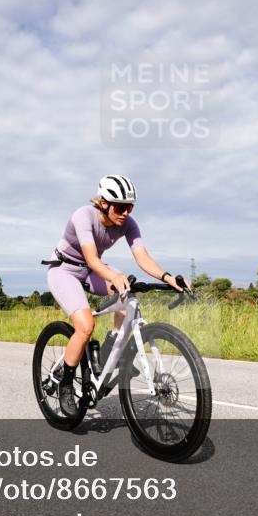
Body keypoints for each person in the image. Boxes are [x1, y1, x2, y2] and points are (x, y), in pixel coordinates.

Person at [43, 175, 189, 416]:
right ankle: (66, 384)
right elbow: (92, 258)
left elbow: (142, 257)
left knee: (127, 294)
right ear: (103, 203)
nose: (125, 213)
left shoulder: (128, 224)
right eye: (120, 207)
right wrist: (113, 276)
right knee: (85, 326)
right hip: (64, 270)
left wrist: (167, 277)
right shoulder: (83, 216)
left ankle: (110, 350)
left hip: (90, 270)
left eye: (130, 207)